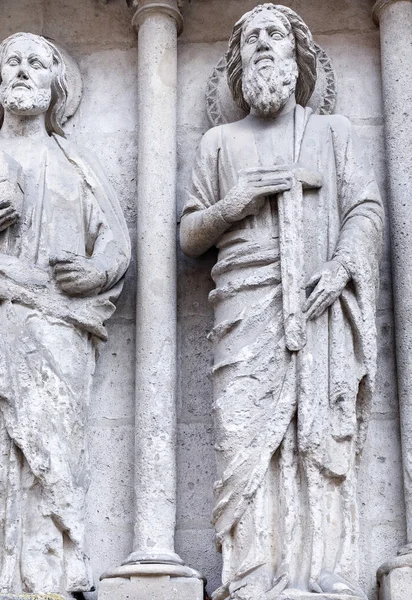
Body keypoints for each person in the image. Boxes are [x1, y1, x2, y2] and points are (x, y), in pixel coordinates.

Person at [180, 5, 384, 600]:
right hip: (244, 309)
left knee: (318, 430)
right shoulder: (219, 143)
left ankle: (324, 567)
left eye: (275, 36)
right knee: (245, 437)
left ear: (299, 56)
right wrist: (234, 204)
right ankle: (250, 572)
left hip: (320, 303)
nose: (264, 46)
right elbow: (189, 232)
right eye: (252, 40)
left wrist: (341, 266)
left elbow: (365, 211)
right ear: (238, 62)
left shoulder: (331, 133)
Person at [0, 32, 130, 597]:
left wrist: (92, 275)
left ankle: (47, 575)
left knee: (50, 456)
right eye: (10, 62)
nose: (21, 71)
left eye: (35, 63)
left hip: (54, 329)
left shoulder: (75, 164)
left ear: (55, 84)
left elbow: (116, 248)